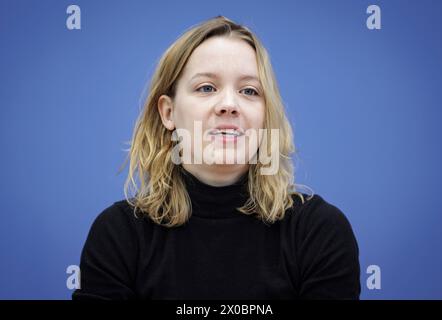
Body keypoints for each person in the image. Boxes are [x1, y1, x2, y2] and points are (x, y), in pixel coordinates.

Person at [72, 16, 361, 300]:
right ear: (168, 112)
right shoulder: (118, 235)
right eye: (206, 88)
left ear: (265, 114)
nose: (228, 105)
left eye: (249, 91)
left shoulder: (318, 232)